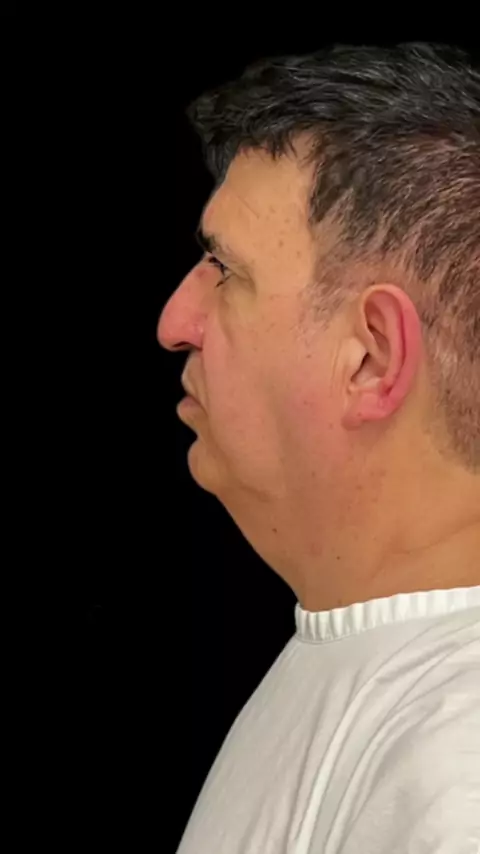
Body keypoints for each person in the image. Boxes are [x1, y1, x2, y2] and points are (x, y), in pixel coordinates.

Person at [159, 42, 480, 853]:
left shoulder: (457, 780)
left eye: (223, 270)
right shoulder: (362, 656)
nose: (174, 323)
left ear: (371, 356)